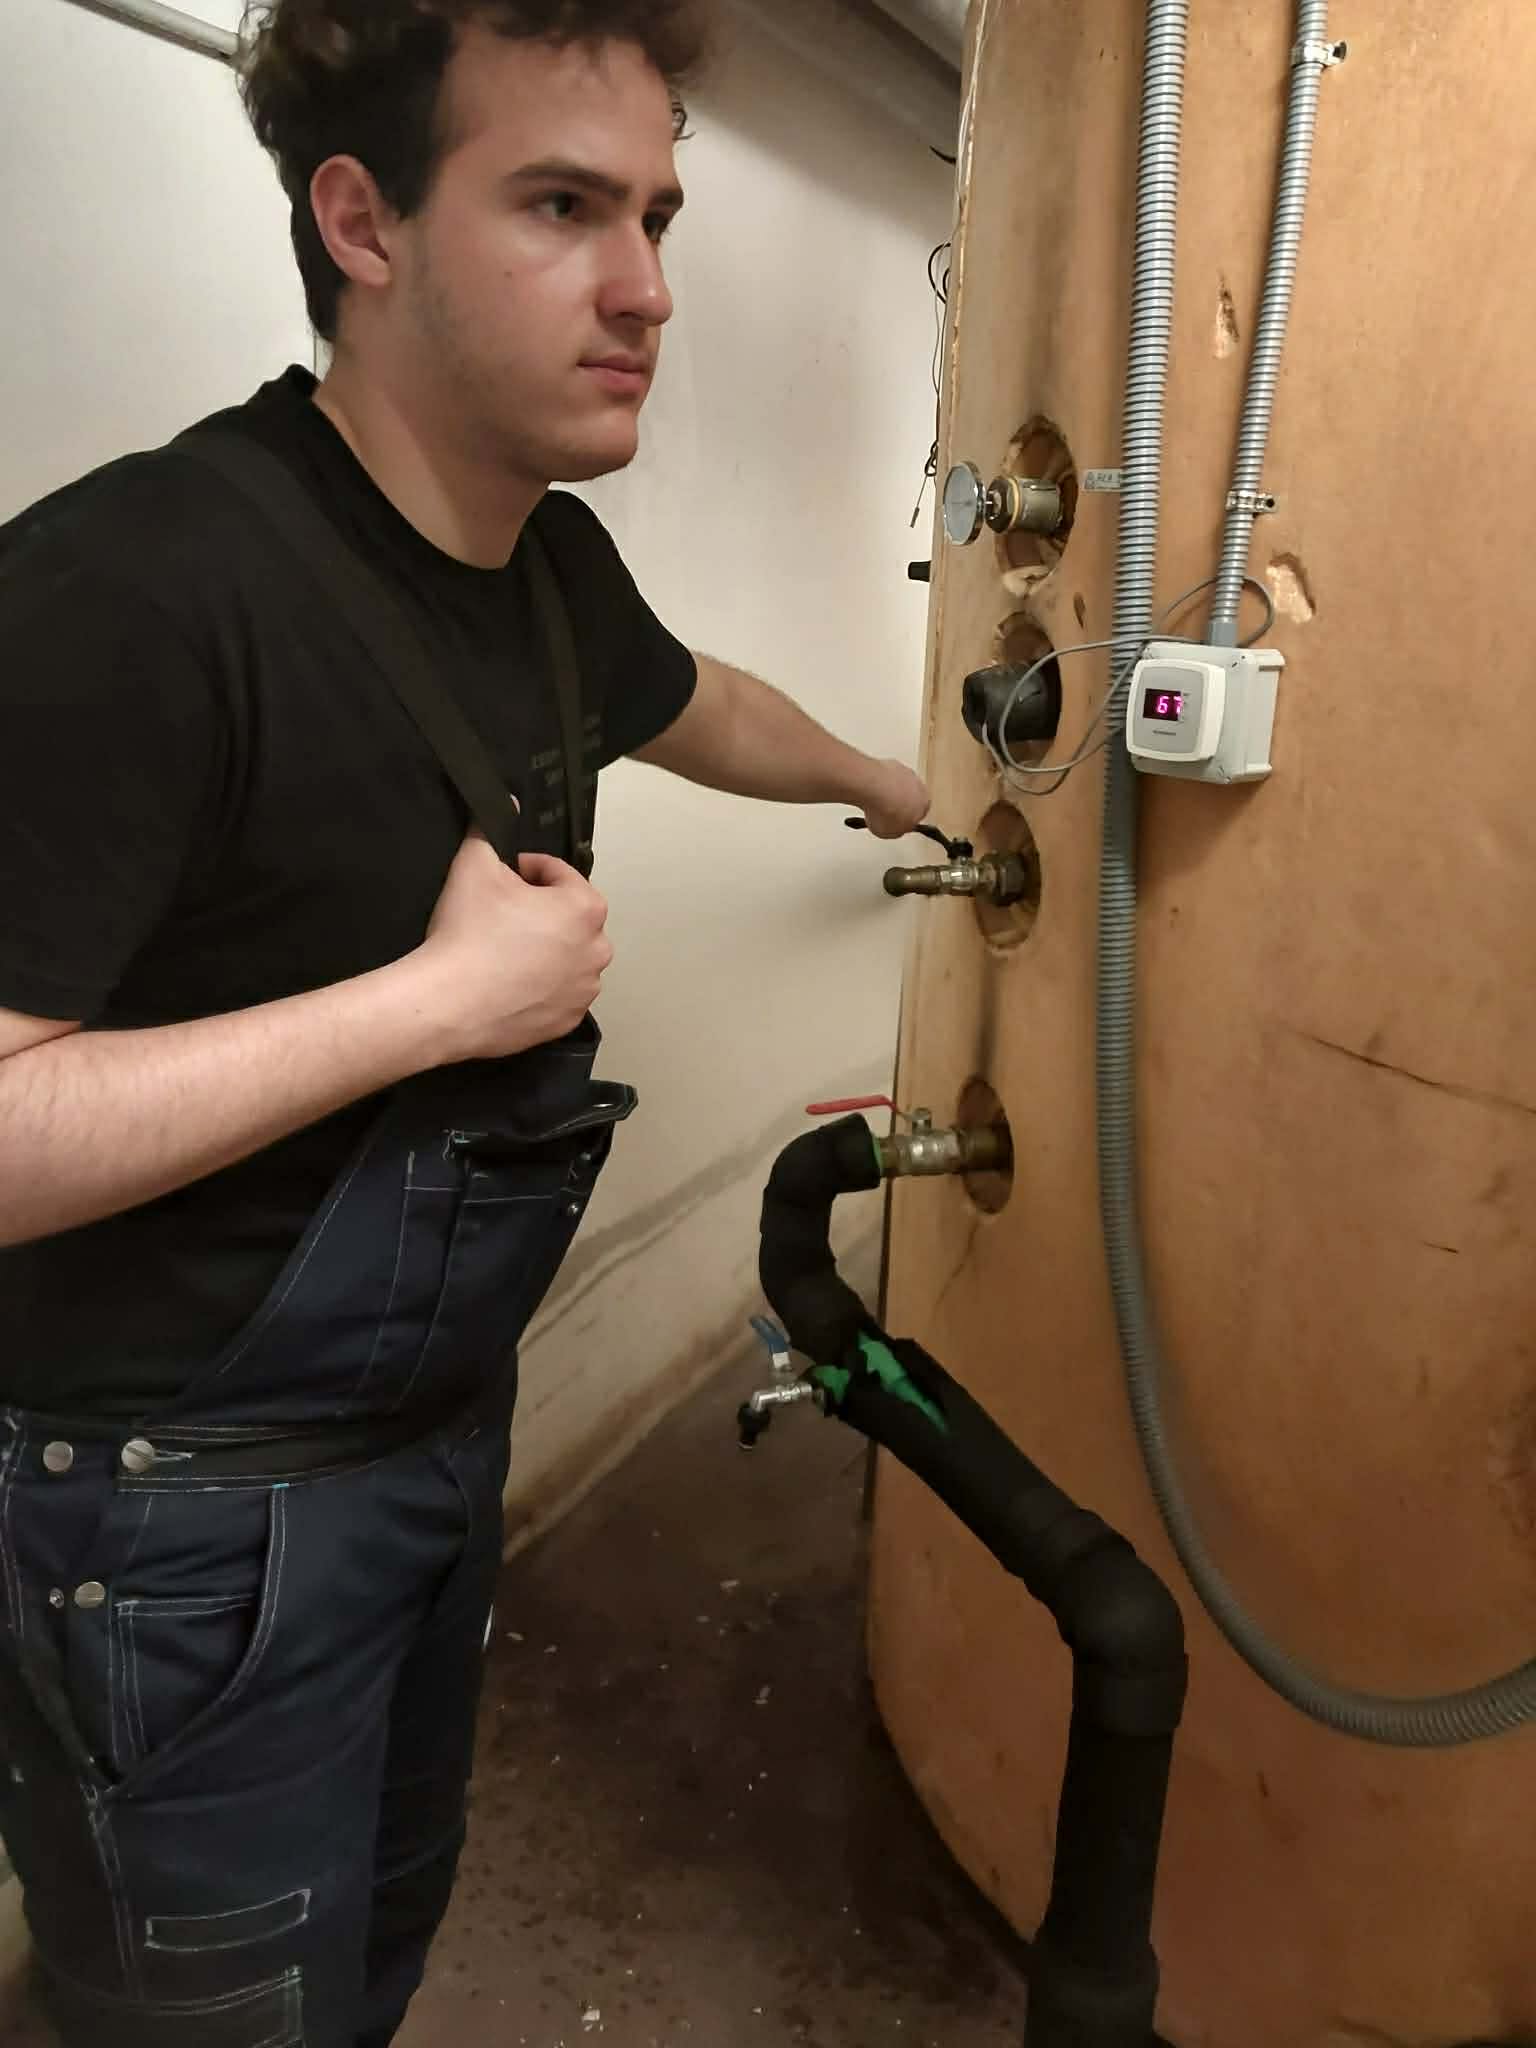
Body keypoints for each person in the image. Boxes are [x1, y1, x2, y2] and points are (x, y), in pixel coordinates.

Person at [0, 2, 930, 2042]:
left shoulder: (543, 568)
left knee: (372, 1959)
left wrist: (891, 780)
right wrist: (432, 1006)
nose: (647, 288)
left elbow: (700, 702)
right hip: (182, 1523)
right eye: (562, 206)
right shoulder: (137, 591)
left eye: (657, 216)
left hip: (426, 1450)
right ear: (364, 223)